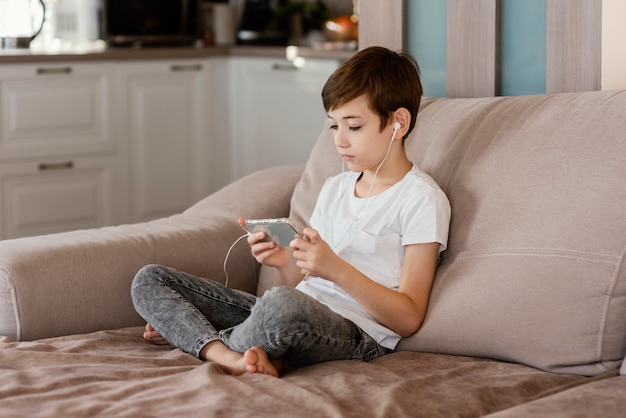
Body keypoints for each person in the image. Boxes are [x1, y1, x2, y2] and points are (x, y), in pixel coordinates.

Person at [131, 46, 451, 378]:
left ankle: (201, 342)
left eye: (353, 127)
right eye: (333, 127)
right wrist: (283, 261)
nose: (339, 141)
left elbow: (410, 316)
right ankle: (231, 355)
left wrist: (336, 269)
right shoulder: (335, 188)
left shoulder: (421, 198)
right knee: (150, 279)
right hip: (293, 314)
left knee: (282, 305)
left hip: (356, 333)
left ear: (398, 122)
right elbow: (300, 285)